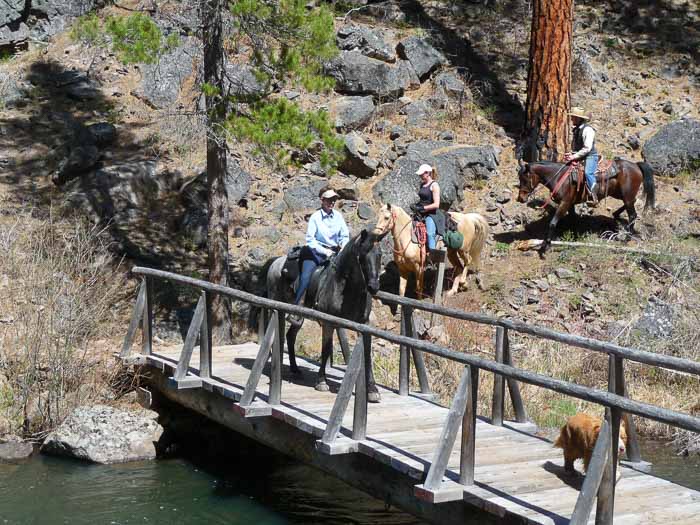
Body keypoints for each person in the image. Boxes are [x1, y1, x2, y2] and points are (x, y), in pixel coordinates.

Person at [289, 188, 350, 326]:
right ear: (322, 200)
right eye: (329, 199)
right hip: (314, 253)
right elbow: (310, 240)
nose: (332, 202)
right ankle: (296, 309)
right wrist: (325, 251)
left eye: (333, 199)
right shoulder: (316, 217)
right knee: (306, 277)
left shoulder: (338, 216)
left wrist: (343, 247)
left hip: (334, 252)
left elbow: (345, 235)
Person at [564, 107, 599, 206]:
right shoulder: (577, 130)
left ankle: (593, 195)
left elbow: (587, 148)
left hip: (590, 156)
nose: (572, 119)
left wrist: (573, 156)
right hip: (580, 155)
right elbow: (578, 147)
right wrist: (571, 154)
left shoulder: (588, 130)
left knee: (588, 173)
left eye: (574, 117)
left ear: (579, 119)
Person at [414, 164, 441, 250]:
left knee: (430, 233)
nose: (420, 176)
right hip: (420, 213)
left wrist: (423, 208)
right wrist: (416, 206)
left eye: (421, 174)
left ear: (427, 173)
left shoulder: (434, 185)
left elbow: (437, 204)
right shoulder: (422, 185)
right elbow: (423, 199)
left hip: (431, 215)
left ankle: (433, 258)